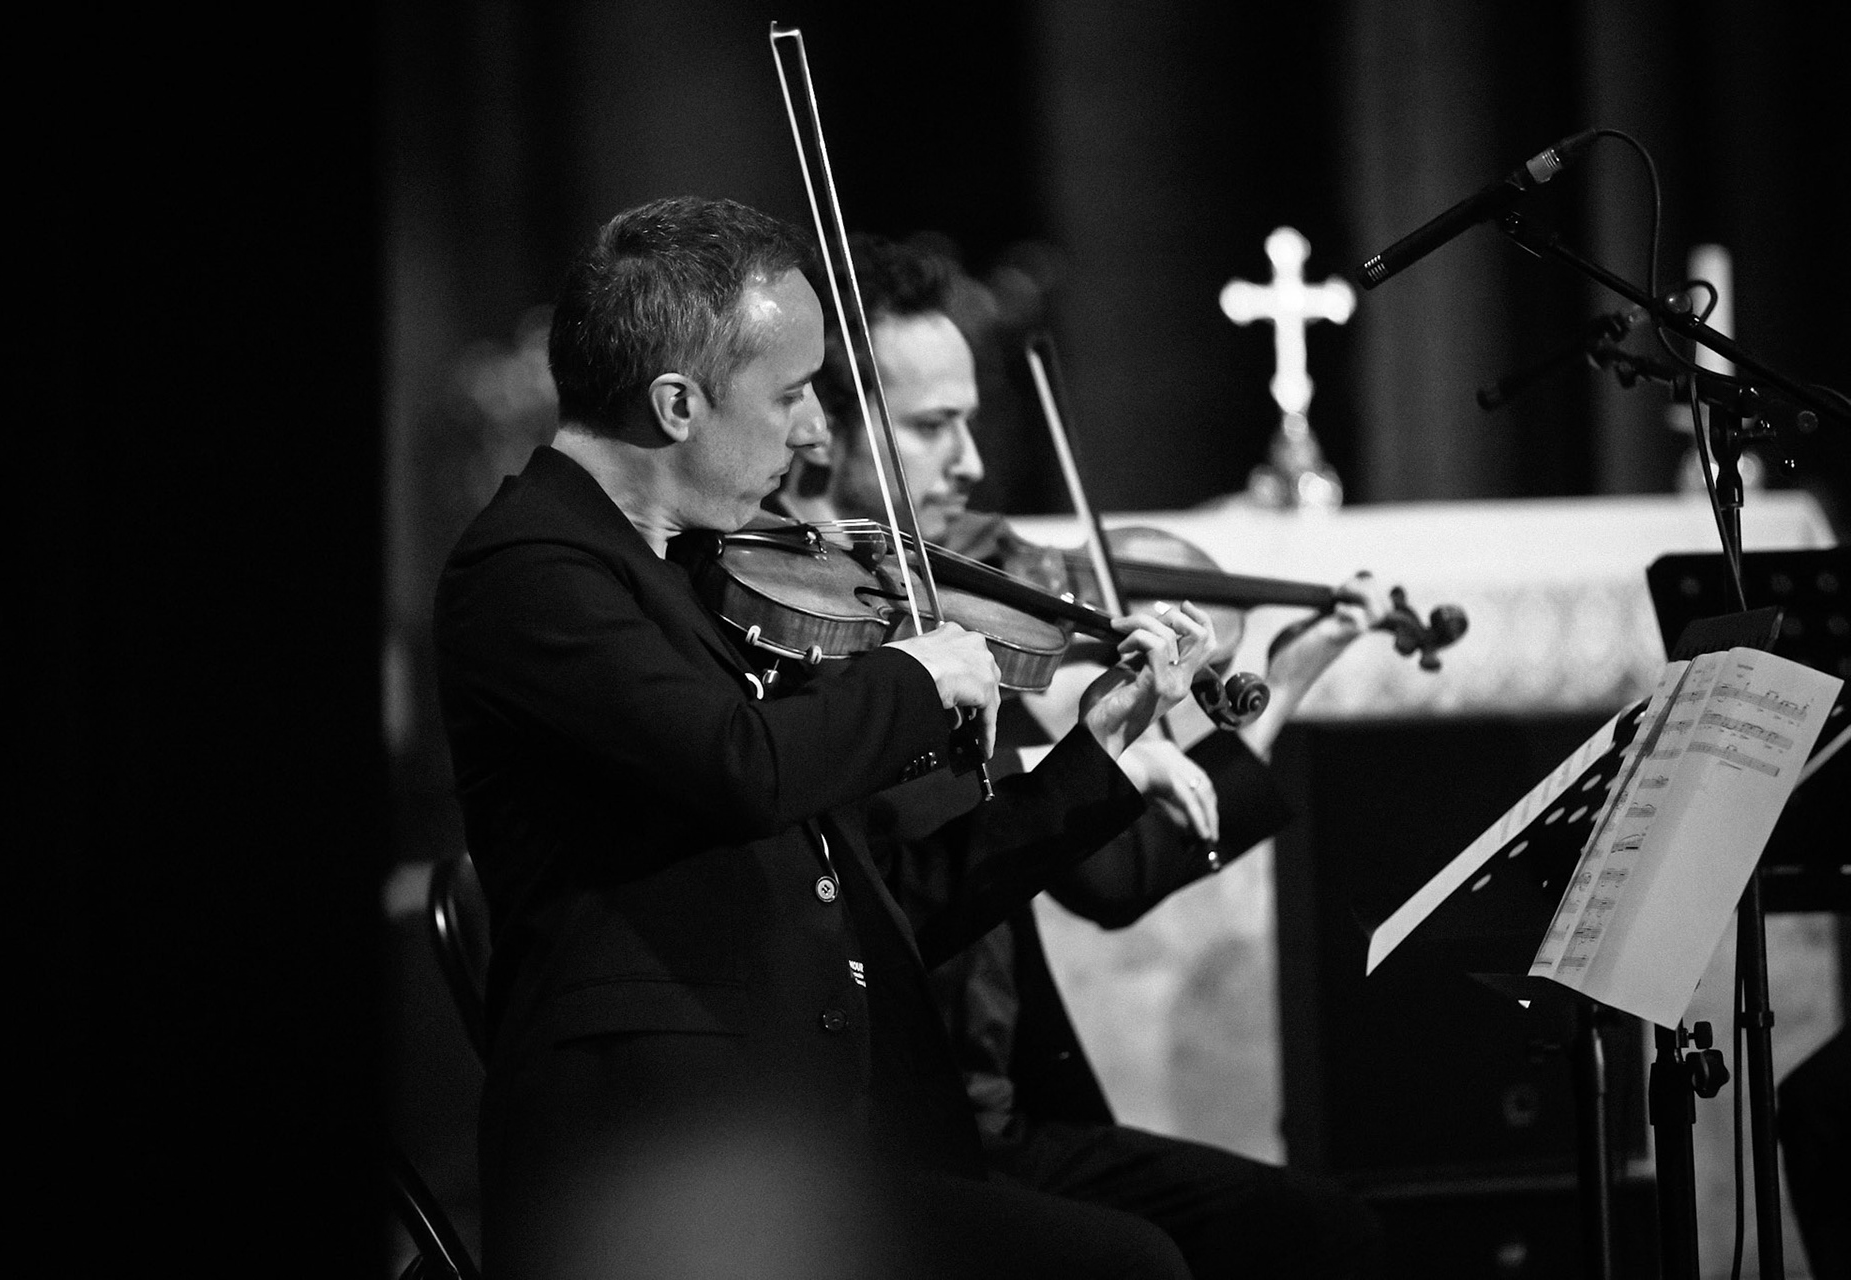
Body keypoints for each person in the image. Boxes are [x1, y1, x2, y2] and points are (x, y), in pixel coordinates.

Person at [432, 196, 1231, 1280]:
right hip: (654, 1166)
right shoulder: (533, 572)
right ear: (677, 404)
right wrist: (914, 670)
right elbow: (740, 764)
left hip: (791, 1150)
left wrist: (1093, 758)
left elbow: (896, 901)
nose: (816, 432)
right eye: (794, 393)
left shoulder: (687, 573)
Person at [770, 232, 1390, 1278]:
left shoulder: (953, 604)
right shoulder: (809, 651)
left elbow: (1112, 875)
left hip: (1004, 1118)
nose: (969, 463)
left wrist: (1281, 685)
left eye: (969, 421)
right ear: (822, 428)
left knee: (1323, 1226)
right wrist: (1054, 763)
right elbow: (910, 882)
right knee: (1141, 1260)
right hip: (889, 1140)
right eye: (932, 427)